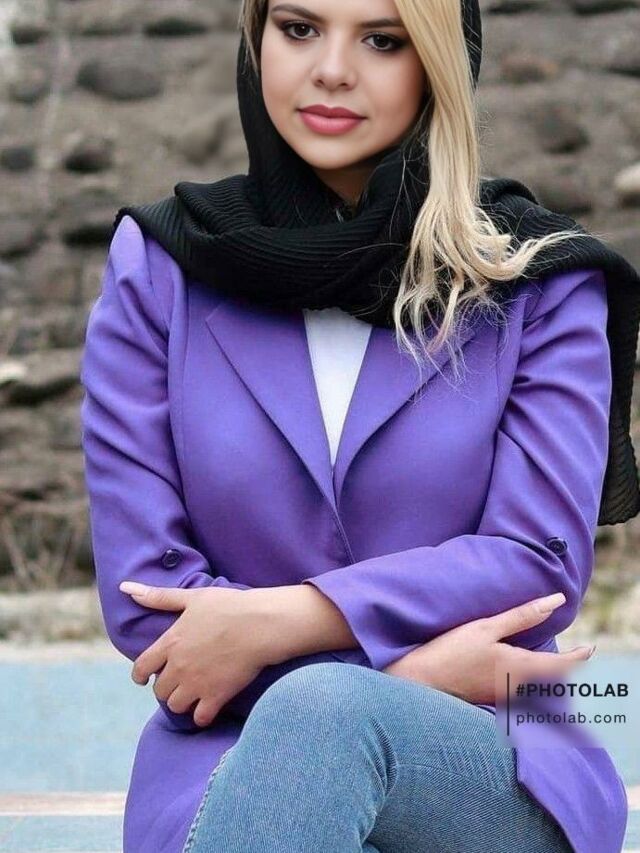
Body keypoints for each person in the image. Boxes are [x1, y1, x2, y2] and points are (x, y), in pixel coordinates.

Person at [79, 1, 639, 851]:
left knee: (329, 711)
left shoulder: (541, 279)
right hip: (225, 758)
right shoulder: (163, 266)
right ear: (256, 37)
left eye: (382, 40)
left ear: (440, 62)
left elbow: (535, 561)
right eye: (299, 29)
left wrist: (290, 623)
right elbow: (152, 602)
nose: (332, 70)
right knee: (322, 719)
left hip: (496, 745)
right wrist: (413, 668)